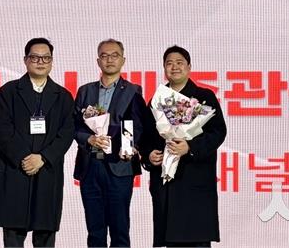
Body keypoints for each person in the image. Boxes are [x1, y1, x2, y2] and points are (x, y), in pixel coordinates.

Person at [0, 38, 75, 247]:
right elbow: (1, 128)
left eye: (46, 58)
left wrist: (43, 158)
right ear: (26, 60)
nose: (40, 62)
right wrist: (24, 158)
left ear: (52, 61)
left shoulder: (63, 96)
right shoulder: (9, 92)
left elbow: (67, 133)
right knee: (13, 233)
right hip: (15, 168)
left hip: (46, 169)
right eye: (35, 57)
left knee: (45, 233)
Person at [141, 46, 227, 247]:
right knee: (170, 240)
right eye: (169, 63)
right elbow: (145, 137)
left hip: (195, 181)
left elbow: (218, 132)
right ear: (164, 68)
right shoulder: (157, 100)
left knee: (197, 240)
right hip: (166, 184)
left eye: (179, 63)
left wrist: (190, 147)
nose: (174, 67)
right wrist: (149, 155)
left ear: (189, 67)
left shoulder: (204, 96)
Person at [73, 39, 151, 247]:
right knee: (94, 231)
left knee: (119, 229)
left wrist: (128, 146)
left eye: (114, 55)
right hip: (90, 165)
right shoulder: (85, 91)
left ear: (123, 60)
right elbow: (74, 125)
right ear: (98, 61)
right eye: (104, 56)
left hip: (119, 166)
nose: (109, 59)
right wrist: (88, 138)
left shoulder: (132, 90)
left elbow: (136, 125)